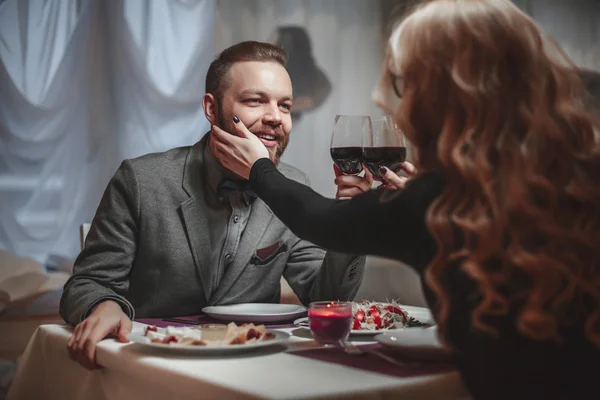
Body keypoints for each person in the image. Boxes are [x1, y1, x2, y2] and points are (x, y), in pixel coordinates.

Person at [210, 1, 600, 399]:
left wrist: (259, 169)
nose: (397, 105)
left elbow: (320, 219)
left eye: (406, 86)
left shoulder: (435, 202)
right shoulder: (574, 177)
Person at [60, 41, 367, 370]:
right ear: (211, 108)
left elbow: (327, 297)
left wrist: (352, 221)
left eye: (285, 106)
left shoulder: (294, 187)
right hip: (156, 368)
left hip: (256, 367)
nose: (276, 118)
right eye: (255, 100)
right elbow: (86, 283)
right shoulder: (140, 180)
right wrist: (103, 304)